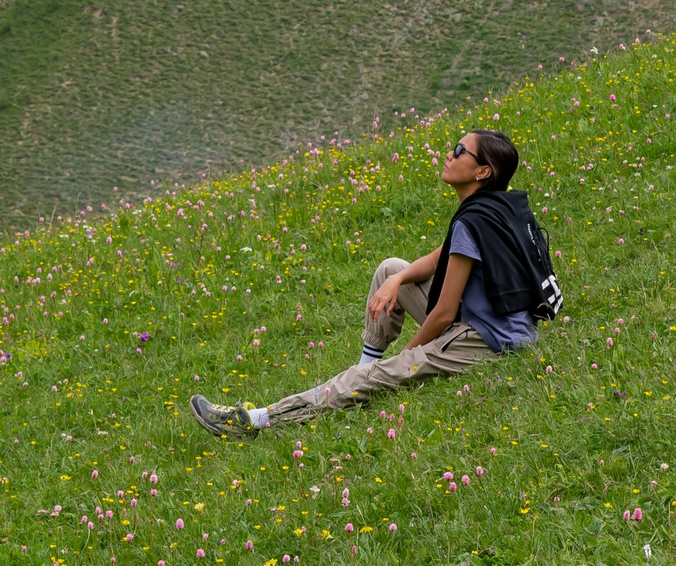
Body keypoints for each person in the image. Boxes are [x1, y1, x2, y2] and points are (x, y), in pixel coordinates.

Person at [190, 128, 558, 436]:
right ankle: (367, 364)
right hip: (504, 324)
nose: (449, 154)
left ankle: (252, 421)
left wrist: (408, 355)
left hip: (488, 341)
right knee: (390, 269)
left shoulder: (472, 220)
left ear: (482, 172)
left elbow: (444, 313)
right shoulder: (496, 207)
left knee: (379, 374)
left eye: (461, 151)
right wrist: (397, 279)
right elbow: (439, 259)